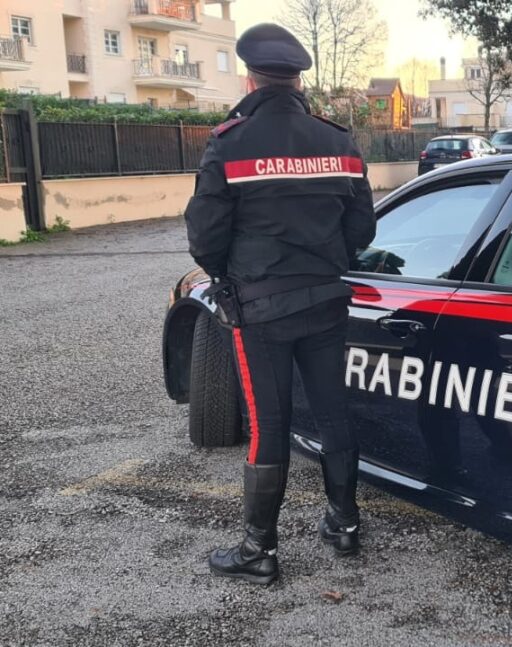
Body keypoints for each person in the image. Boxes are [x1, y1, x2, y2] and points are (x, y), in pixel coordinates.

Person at [183, 23, 375, 585]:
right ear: (297, 77)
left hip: (261, 308)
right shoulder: (337, 140)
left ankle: (258, 549)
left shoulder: (231, 141)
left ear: (250, 75)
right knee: (334, 412)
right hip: (327, 300)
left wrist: (229, 274)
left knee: (270, 423)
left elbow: (206, 237)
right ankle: (344, 525)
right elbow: (362, 228)